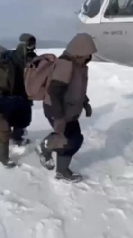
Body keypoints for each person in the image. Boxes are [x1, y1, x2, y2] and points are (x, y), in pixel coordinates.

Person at [35, 33, 97, 183]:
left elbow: (78, 89)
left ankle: (60, 168)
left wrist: (85, 102)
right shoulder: (65, 64)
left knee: (74, 139)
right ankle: (47, 147)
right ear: (80, 50)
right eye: (88, 52)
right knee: (72, 140)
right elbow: (54, 91)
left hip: (70, 110)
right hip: (57, 109)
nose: (89, 55)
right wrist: (59, 117)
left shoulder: (79, 65)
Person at [1, 33, 38, 146]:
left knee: (14, 117)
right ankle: (16, 138)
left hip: (14, 92)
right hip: (20, 92)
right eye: (31, 44)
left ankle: (9, 137)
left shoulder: (11, 54)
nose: (33, 46)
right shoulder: (28, 57)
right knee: (20, 117)